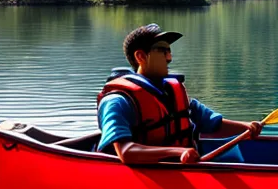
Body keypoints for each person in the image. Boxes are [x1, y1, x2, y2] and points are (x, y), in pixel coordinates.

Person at [97, 24, 261, 165]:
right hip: (151, 177)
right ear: (140, 56)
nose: (169, 58)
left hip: (182, 169)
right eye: (162, 51)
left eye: (169, 51)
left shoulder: (173, 92)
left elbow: (213, 124)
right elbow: (125, 152)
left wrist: (247, 128)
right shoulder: (117, 101)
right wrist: (178, 152)